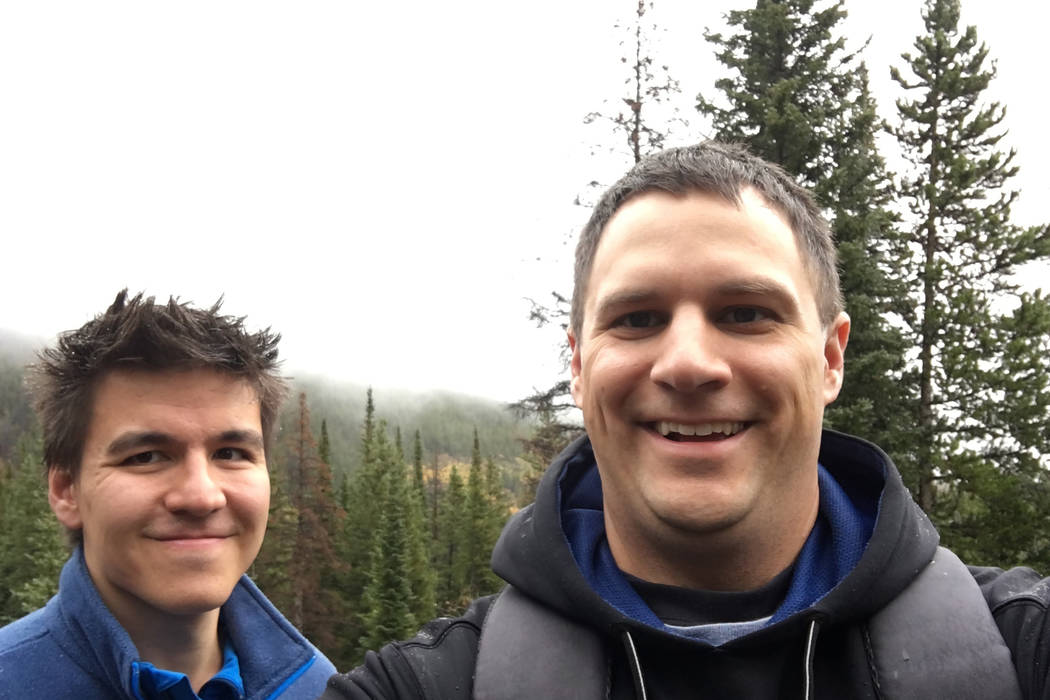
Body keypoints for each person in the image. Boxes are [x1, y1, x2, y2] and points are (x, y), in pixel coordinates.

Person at [321, 142, 1050, 699]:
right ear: (577, 366)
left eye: (745, 313)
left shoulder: (1023, 648)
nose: (690, 363)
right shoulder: (426, 685)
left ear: (829, 359)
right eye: (637, 318)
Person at [0, 290, 335, 699]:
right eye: (146, 457)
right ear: (66, 490)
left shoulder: (314, 685)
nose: (201, 496)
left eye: (230, 453)